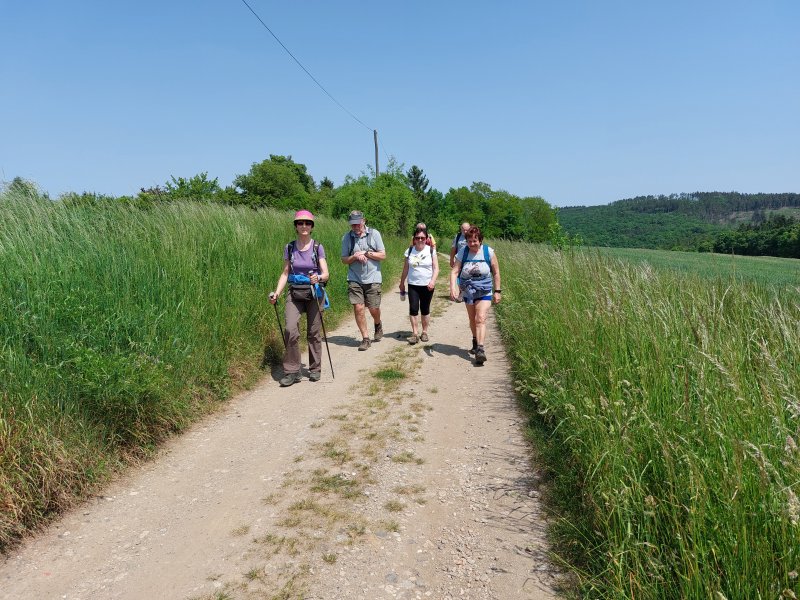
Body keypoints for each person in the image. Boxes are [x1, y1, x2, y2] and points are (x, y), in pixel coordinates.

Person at [269, 210, 330, 386]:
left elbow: (326, 273)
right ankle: (292, 371)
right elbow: (285, 272)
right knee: (290, 330)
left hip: (314, 293)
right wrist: (277, 293)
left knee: (313, 332)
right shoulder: (289, 247)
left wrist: (318, 277)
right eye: (300, 223)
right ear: (295, 226)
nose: (304, 226)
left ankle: (315, 368)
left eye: (307, 223)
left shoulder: (318, 247)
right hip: (294, 292)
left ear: (312, 227)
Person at [449, 226, 501, 365]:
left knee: (480, 318)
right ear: (466, 241)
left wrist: (497, 291)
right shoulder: (463, 252)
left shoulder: (488, 252)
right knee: (472, 319)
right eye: (469, 241)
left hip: (485, 290)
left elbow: (495, 272)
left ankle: (480, 349)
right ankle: (475, 338)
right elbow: (455, 271)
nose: (472, 244)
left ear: (480, 240)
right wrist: (453, 288)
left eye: (475, 241)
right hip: (468, 290)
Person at [341, 210, 386, 351]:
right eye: (352, 224)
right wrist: (355, 256)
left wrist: (367, 254)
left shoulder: (375, 234)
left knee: (373, 308)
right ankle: (365, 338)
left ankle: (377, 324)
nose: (355, 227)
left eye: (358, 223)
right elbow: (344, 259)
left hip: (373, 277)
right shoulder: (347, 238)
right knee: (359, 307)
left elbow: (383, 255)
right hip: (354, 277)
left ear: (363, 221)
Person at [398, 227, 440, 344]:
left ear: (426, 239)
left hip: (427, 285)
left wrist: (432, 281)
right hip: (413, 284)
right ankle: (415, 333)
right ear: (414, 239)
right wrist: (402, 283)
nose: (420, 240)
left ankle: (424, 332)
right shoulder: (410, 251)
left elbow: (436, 268)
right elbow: (405, 268)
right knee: (413, 308)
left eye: (422, 238)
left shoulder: (431, 251)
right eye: (417, 238)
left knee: (425, 309)